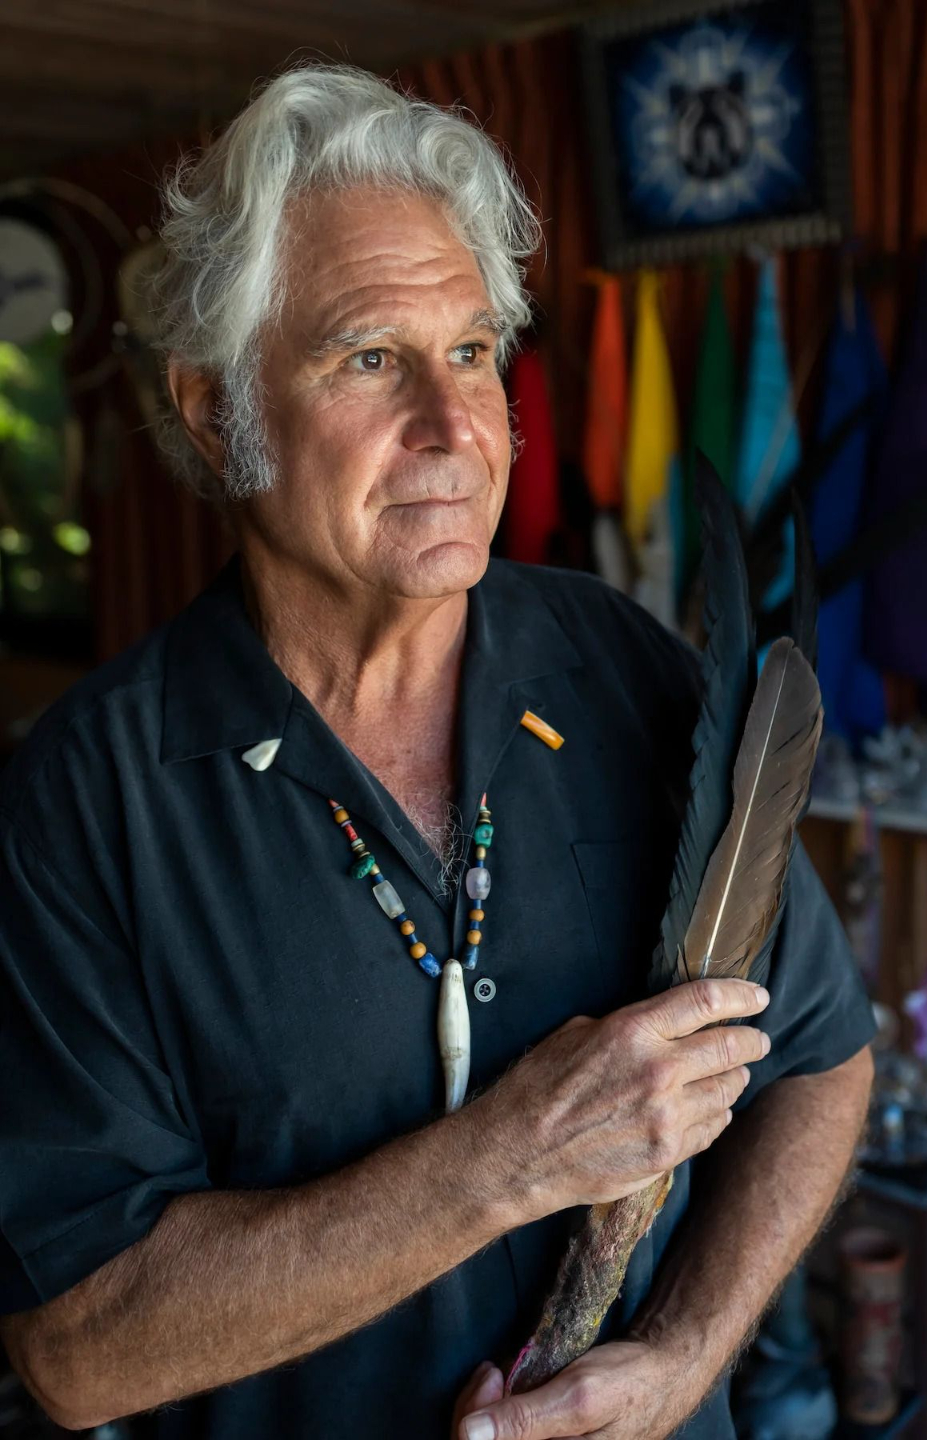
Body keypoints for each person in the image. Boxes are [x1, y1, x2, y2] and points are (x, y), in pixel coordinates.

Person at [0, 64, 875, 1440]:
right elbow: (77, 1346)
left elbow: (818, 1058)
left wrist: (684, 1359)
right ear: (217, 409)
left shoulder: (621, 664)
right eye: (369, 358)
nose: (456, 427)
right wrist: (512, 1158)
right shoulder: (85, 800)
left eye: (472, 351)